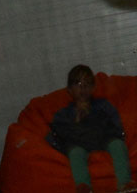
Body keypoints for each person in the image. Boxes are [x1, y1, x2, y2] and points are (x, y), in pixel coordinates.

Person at [47, 65, 130, 193]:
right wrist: (77, 119)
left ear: (93, 88)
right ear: (69, 90)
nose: (83, 87)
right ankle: (83, 186)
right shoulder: (63, 114)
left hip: (103, 139)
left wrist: (93, 117)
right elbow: (58, 136)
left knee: (118, 145)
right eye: (78, 83)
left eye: (87, 83)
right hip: (78, 144)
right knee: (76, 153)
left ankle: (125, 184)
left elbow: (116, 127)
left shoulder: (103, 105)